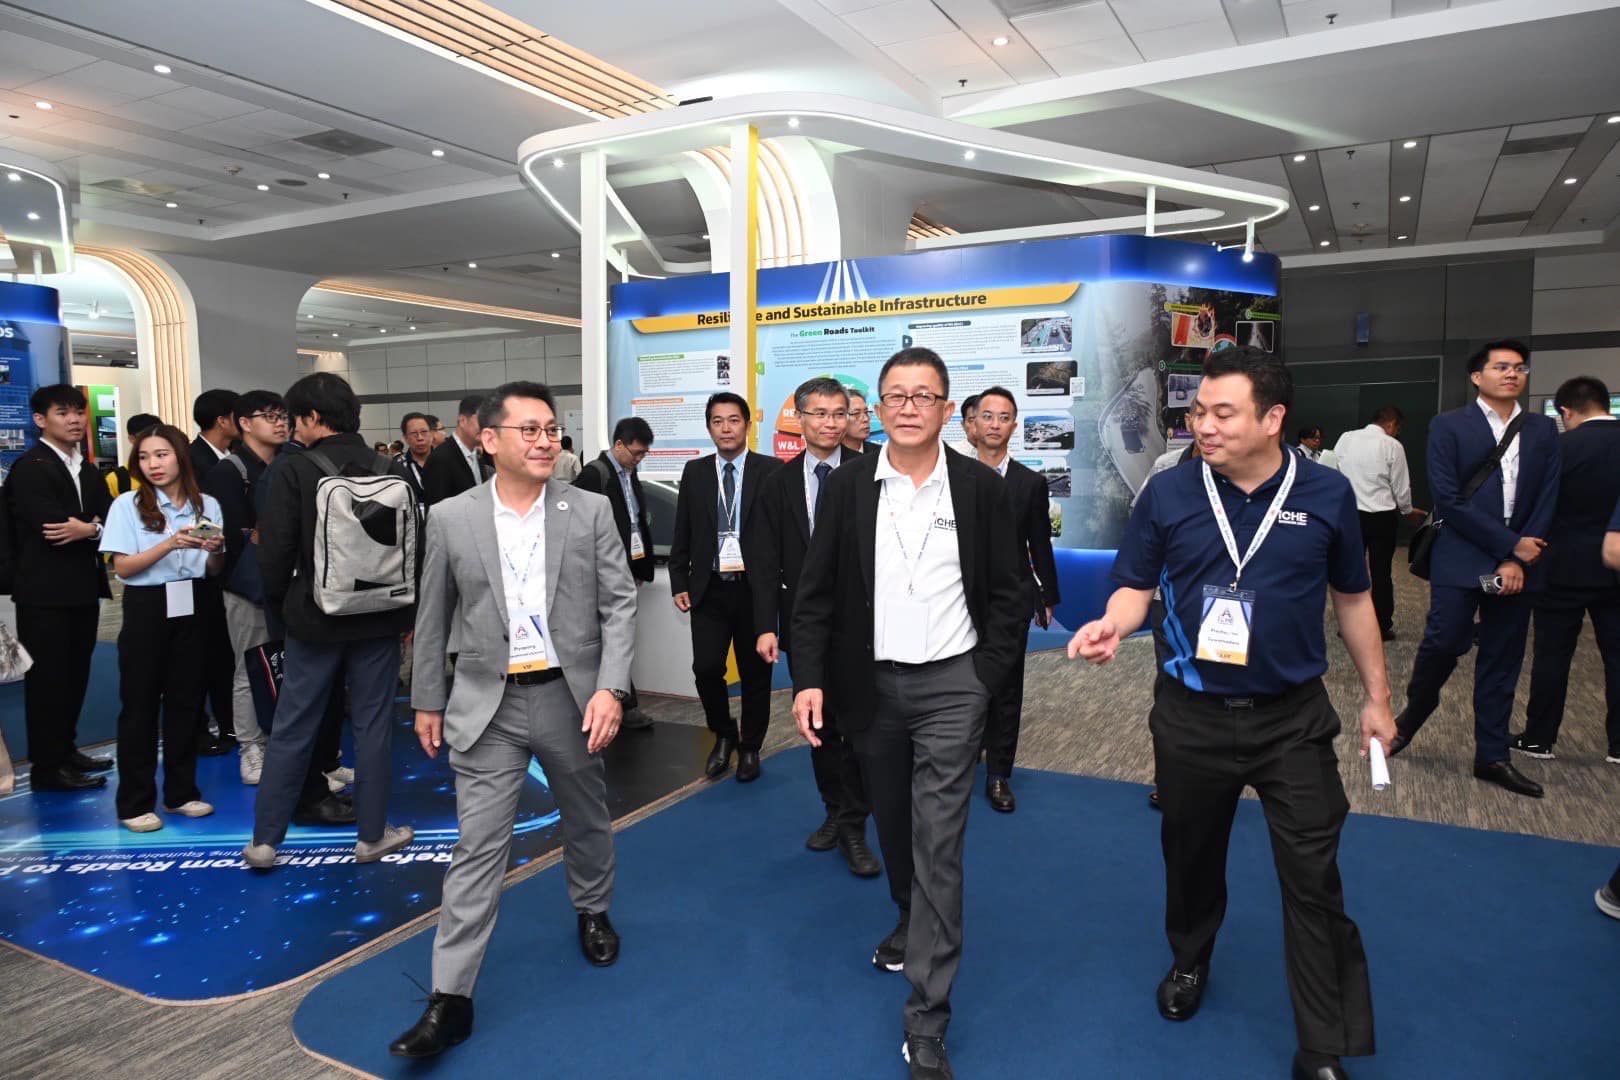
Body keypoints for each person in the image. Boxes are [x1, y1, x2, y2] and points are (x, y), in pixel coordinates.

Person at [1070, 345, 1387, 1080]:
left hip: (1293, 718)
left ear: (1273, 418)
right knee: (1191, 856)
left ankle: (1323, 1042)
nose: (1202, 426)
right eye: (1197, 412)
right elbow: (1135, 586)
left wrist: (1378, 697)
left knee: (1314, 877)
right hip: (1192, 716)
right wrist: (1114, 623)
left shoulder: (1327, 493)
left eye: (1222, 413)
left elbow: (1353, 598)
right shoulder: (1169, 492)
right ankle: (1190, 958)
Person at [790, 348, 1024, 1080]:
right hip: (872, 689)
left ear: (948, 409)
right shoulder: (849, 487)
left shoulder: (980, 489)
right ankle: (908, 915)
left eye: (925, 395)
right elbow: (815, 594)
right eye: (896, 395)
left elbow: (1010, 594)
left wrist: (983, 679)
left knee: (939, 842)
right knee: (893, 824)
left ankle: (928, 1015)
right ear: (878, 410)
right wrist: (809, 680)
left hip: (954, 686)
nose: (909, 407)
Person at [388, 381, 635, 1059]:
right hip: (486, 704)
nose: (545, 440)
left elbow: (619, 605)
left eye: (550, 429)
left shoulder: (588, 509)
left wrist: (612, 688)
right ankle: (450, 998)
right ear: (489, 439)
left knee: (586, 816)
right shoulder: (452, 517)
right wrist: (427, 698)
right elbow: (433, 613)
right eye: (529, 430)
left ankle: (592, 909)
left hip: (570, 698)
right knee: (477, 847)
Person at [244, 372, 416, 869]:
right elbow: (415, 549)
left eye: (296, 418)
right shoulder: (393, 469)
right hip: (381, 617)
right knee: (373, 726)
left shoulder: (292, 470)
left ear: (314, 417)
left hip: (314, 619)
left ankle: (265, 842)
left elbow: (274, 557)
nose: (293, 427)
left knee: (292, 726)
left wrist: (287, 608)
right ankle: (372, 835)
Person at [1391, 340, 1559, 797]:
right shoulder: (1449, 426)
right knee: (1445, 641)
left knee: (1502, 658)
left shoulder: (1543, 429)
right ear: (1476, 376)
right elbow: (1449, 499)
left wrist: (1518, 556)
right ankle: (1413, 715)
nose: (1512, 373)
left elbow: (1549, 495)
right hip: (1462, 556)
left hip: (1519, 564)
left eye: (1519, 367)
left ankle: (1492, 755)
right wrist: (1509, 545)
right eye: (1501, 366)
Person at [753, 378, 880, 877]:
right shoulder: (777, 483)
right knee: (818, 725)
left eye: (839, 414)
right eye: (820, 414)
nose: (830, 423)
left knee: (860, 727)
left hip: (864, 626)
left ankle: (855, 823)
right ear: (799, 420)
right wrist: (766, 624)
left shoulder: (874, 473)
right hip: (805, 626)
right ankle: (836, 812)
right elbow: (765, 560)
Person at [99, 424, 225, 831]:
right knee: (139, 704)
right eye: (144, 456)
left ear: (180, 457)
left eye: (161, 454)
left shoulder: (206, 505)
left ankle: (181, 793)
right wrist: (169, 543)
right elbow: (123, 568)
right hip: (147, 605)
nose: (153, 464)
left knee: (187, 702)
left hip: (194, 600)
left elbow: (214, 568)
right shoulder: (128, 505)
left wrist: (216, 549)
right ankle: (134, 803)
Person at [670, 392, 782, 782]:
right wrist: (678, 579)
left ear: (747, 425)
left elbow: (780, 534)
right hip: (710, 589)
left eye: (733, 420)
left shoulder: (771, 470)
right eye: (718, 421)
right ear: (709, 428)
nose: (726, 428)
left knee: (755, 674)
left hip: (755, 591)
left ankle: (750, 746)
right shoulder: (696, 471)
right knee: (705, 669)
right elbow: (682, 529)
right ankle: (723, 733)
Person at [6, 385, 114, 791]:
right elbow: (53, 527)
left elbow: (109, 518)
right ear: (40, 420)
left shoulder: (87, 469)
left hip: (83, 588)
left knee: (75, 676)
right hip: (44, 593)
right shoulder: (31, 467)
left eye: (78, 412)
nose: (74, 420)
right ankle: (47, 769)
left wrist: (90, 528)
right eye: (62, 413)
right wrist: (92, 527)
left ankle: (65, 750)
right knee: (48, 682)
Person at [1511, 376, 1620, 763]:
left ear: (1566, 411)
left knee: (1552, 656)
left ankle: (1539, 739)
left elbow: (1536, 506)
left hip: (1561, 567)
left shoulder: (1560, 448)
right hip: (1616, 567)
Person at [972, 386, 1060, 813]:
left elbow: (1040, 543)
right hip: (957, 600)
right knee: (959, 683)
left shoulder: (1030, 482)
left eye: (1004, 417)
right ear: (973, 422)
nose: (995, 425)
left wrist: (1048, 595)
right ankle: (959, 757)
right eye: (987, 416)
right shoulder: (950, 475)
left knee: (1007, 689)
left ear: (1014, 425)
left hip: (1012, 600)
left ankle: (998, 774)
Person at [202, 390, 289, 785]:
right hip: (246, 586)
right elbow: (220, 531)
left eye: (283, 416)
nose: (279, 423)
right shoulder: (228, 472)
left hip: (289, 585)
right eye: (269, 415)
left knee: (289, 667)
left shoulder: (289, 464)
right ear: (244, 423)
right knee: (249, 667)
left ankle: (286, 745)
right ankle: (251, 747)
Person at [574, 416, 656, 729]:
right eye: (636, 452)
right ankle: (621, 702)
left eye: (644, 453)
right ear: (619, 445)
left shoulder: (630, 474)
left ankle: (618, 701)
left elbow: (635, 521)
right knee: (610, 637)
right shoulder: (595, 474)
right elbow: (581, 527)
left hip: (626, 566)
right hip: (601, 570)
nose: (639, 458)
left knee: (617, 635)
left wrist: (639, 566)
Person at [1332, 407, 1425, 640]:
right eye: (1397, 429)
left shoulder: (1346, 438)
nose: (1396, 433)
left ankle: (1348, 625)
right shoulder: (1392, 446)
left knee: (1349, 571)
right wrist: (1407, 511)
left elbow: (1333, 472)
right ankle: (1381, 626)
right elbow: (1401, 487)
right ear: (1392, 424)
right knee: (1381, 572)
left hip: (1350, 515)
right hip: (1381, 517)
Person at [191, 389, 242, 757]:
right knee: (203, 655)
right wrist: (212, 548)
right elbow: (199, 513)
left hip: (228, 567)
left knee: (225, 654)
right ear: (223, 420)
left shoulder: (230, 458)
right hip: (203, 571)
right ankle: (206, 727)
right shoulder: (195, 460)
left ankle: (229, 723)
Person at [423, 395, 490, 506]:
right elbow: (437, 508)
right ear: (463, 421)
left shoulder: (476, 454)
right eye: (482, 421)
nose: (487, 428)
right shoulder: (440, 459)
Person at [106, 412, 161, 498]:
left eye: (159, 437)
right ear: (132, 438)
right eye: (146, 437)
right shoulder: (116, 480)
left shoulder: (173, 472)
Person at [396, 411, 433, 502]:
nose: (420, 438)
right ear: (405, 438)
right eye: (414, 433)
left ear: (431, 434)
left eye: (424, 432)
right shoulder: (397, 466)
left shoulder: (446, 461)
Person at [844, 389, 880, 455]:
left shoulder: (881, 454)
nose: (866, 419)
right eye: (856, 413)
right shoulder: (828, 455)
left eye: (866, 412)